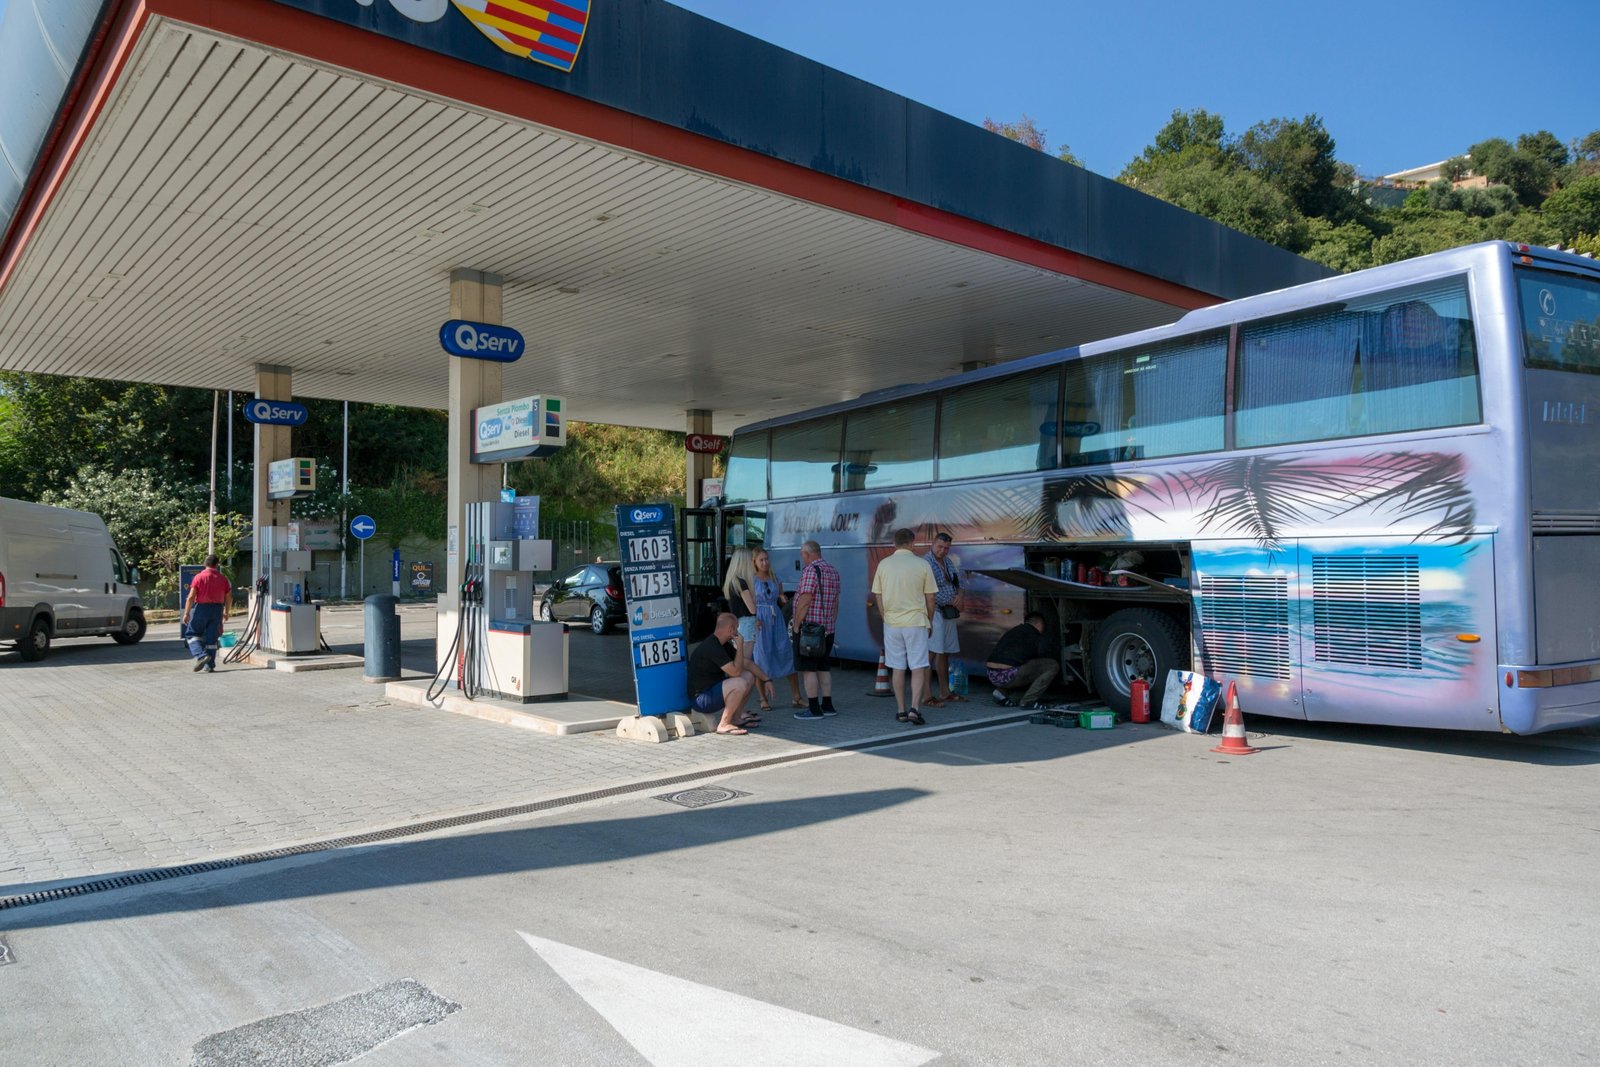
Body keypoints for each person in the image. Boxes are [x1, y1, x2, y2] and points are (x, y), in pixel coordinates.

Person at [870, 527, 937, 725]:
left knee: (897, 667)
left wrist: (885, 616)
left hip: (892, 624)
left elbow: (878, 595)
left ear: (894, 543)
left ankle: (900, 710)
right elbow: (931, 598)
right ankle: (915, 709)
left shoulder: (883, 565)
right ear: (912, 543)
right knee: (918, 667)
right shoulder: (922, 564)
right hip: (916, 622)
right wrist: (929, 620)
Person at [686, 612, 771, 735]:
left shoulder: (723, 644)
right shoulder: (712, 646)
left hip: (712, 691)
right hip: (700, 699)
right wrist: (740, 645)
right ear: (731, 629)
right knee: (739, 682)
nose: (738, 631)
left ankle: (736, 717)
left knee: (749, 676)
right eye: (737, 628)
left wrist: (767, 679)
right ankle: (724, 723)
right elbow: (735, 672)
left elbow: (746, 663)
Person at [789, 539, 841, 721]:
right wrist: (829, 624)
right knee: (823, 667)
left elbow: (805, 599)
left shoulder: (811, 570)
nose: (802, 558)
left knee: (808, 669)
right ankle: (827, 705)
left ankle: (813, 709)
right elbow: (835, 602)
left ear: (808, 554)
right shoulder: (833, 571)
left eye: (802, 555)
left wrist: (796, 625)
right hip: (827, 629)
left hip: (810, 630)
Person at [721, 547, 775, 710]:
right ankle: (765, 678)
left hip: (738, 623)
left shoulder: (730, 581)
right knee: (744, 662)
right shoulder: (742, 582)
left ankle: (736, 708)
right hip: (747, 623)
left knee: (740, 666)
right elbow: (752, 609)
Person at [750, 548, 800, 708]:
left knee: (785, 652)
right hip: (761, 619)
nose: (765, 562)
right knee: (761, 657)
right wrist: (754, 618)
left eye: (766, 559)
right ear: (755, 563)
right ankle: (763, 698)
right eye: (761, 560)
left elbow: (780, 595)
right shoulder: (752, 580)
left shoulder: (774, 577)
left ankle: (796, 696)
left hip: (775, 618)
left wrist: (782, 598)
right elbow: (749, 603)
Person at [925, 531, 966, 706]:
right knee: (931, 654)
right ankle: (926, 695)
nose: (943, 550)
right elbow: (928, 592)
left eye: (946, 548)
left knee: (944, 653)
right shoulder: (925, 563)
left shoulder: (948, 562)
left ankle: (944, 692)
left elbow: (959, 584)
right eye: (940, 547)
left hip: (949, 612)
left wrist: (960, 597)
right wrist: (951, 600)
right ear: (932, 544)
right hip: (935, 612)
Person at [985, 611, 1059, 708]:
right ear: (1039, 624)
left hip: (991, 674)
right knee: (1052, 665)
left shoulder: (1015, 630)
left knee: (1021, 665)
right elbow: (1044, 653)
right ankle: (1028, 701)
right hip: (1008, 675)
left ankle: (1000, 693)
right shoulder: (1034, 634)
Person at [182, 554, 232, 673]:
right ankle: (209, 666)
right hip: (217, 609)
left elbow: (191, 597)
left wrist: (186, 613)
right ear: (216, 565)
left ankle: (201, 655)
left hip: (201, 609)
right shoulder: (223, 578)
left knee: (191, 634)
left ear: (205, 564)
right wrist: (226, 612)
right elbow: (229, 597)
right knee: (212, 639)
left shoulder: (199, 577)